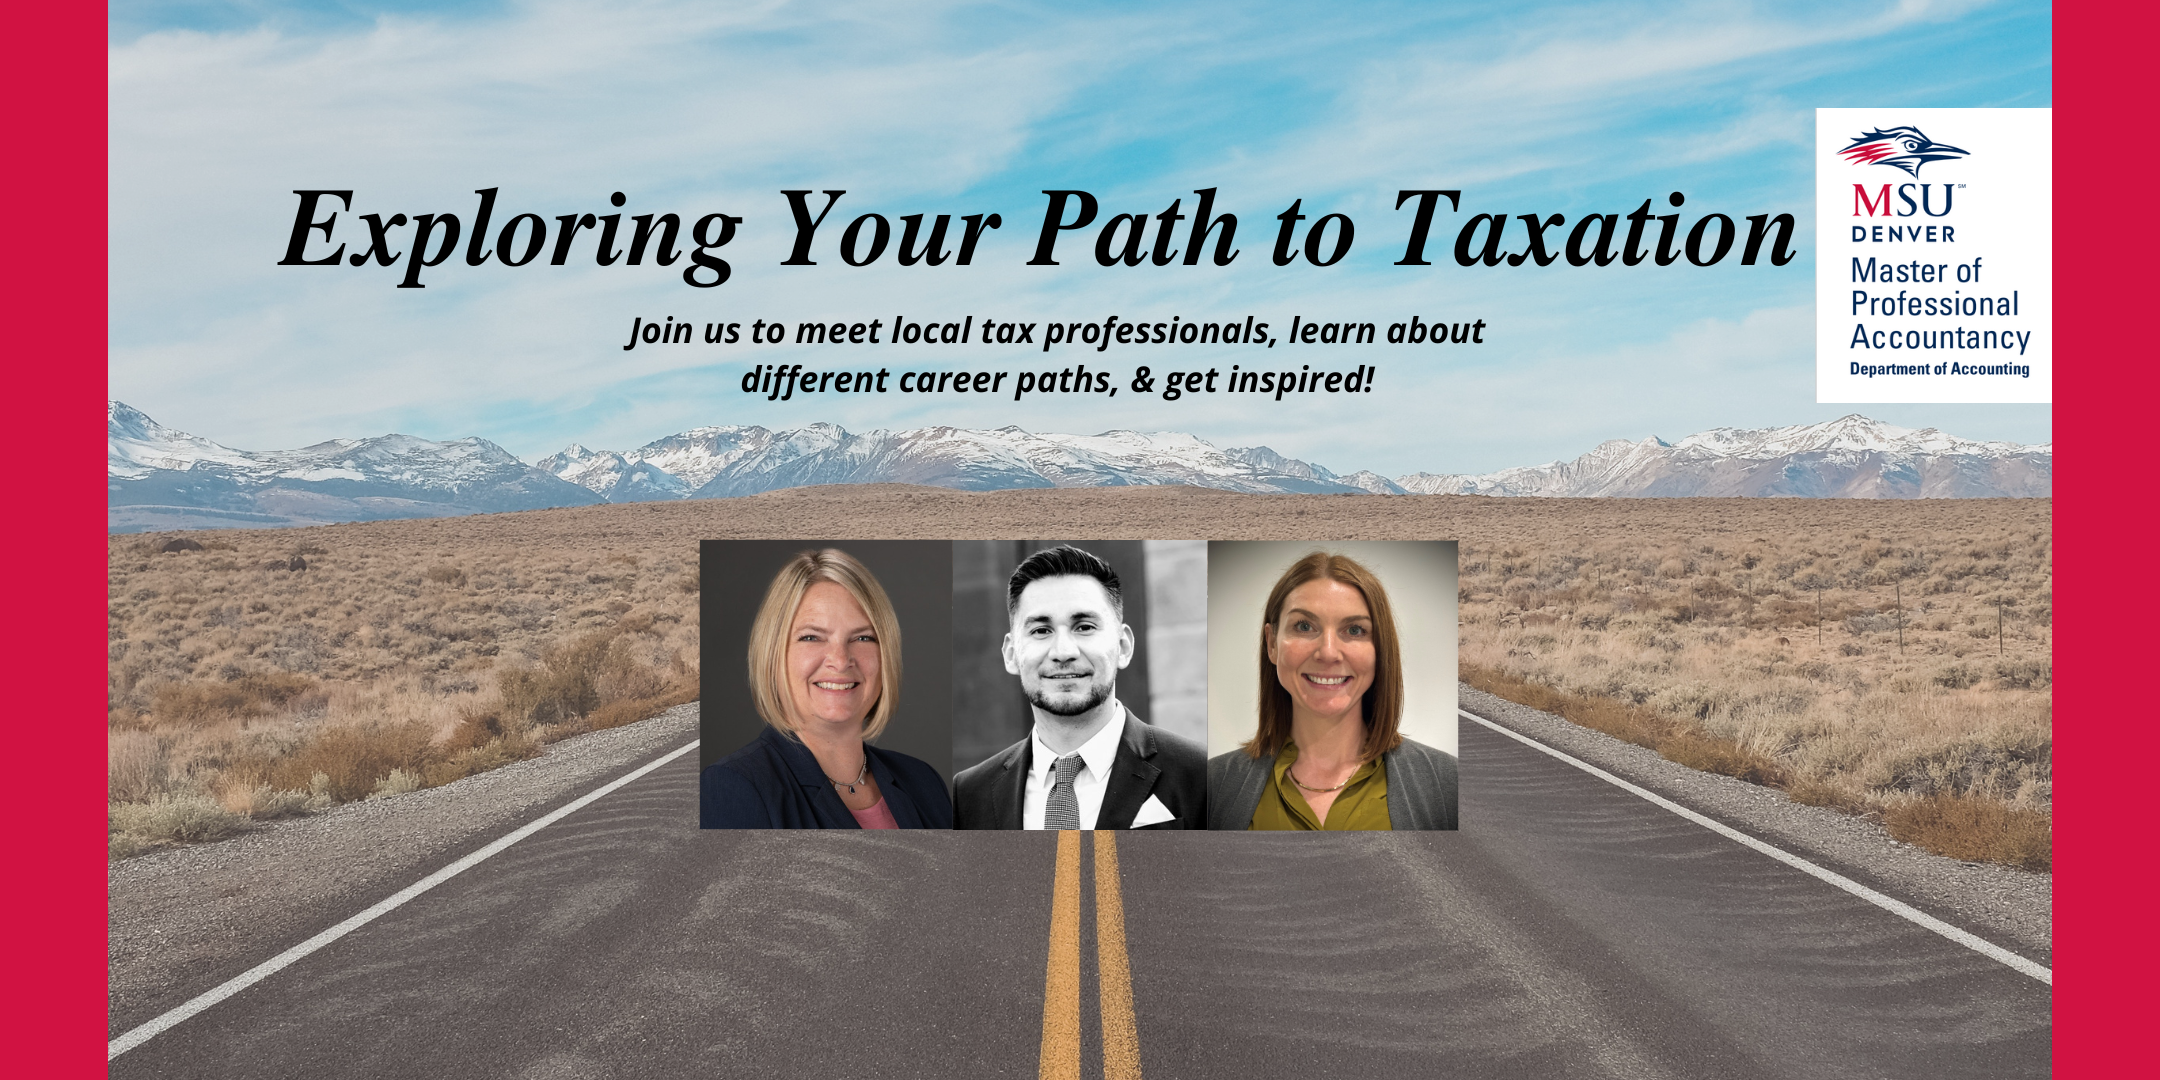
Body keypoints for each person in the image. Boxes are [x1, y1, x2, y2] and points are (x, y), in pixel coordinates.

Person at [953, 545, 1206, 830]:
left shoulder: (1201, 775)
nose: (1063, 652)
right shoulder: (969, 794)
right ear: (1011, 654)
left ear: (1123, 646)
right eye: (1041, 631)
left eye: (1084, 627)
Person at [700, 549, 953, 829]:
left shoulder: (924, 782)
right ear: (773, 654)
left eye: (863, 637)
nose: (841, 660)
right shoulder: (735, 787)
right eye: (812, 637)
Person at [1207, 551, 1458, 830]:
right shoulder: (1211, 787)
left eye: (1354, 630)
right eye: (1304, 626)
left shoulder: (1448, 784)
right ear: (1272, 644)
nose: (1328, 653)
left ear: (1380, 649)